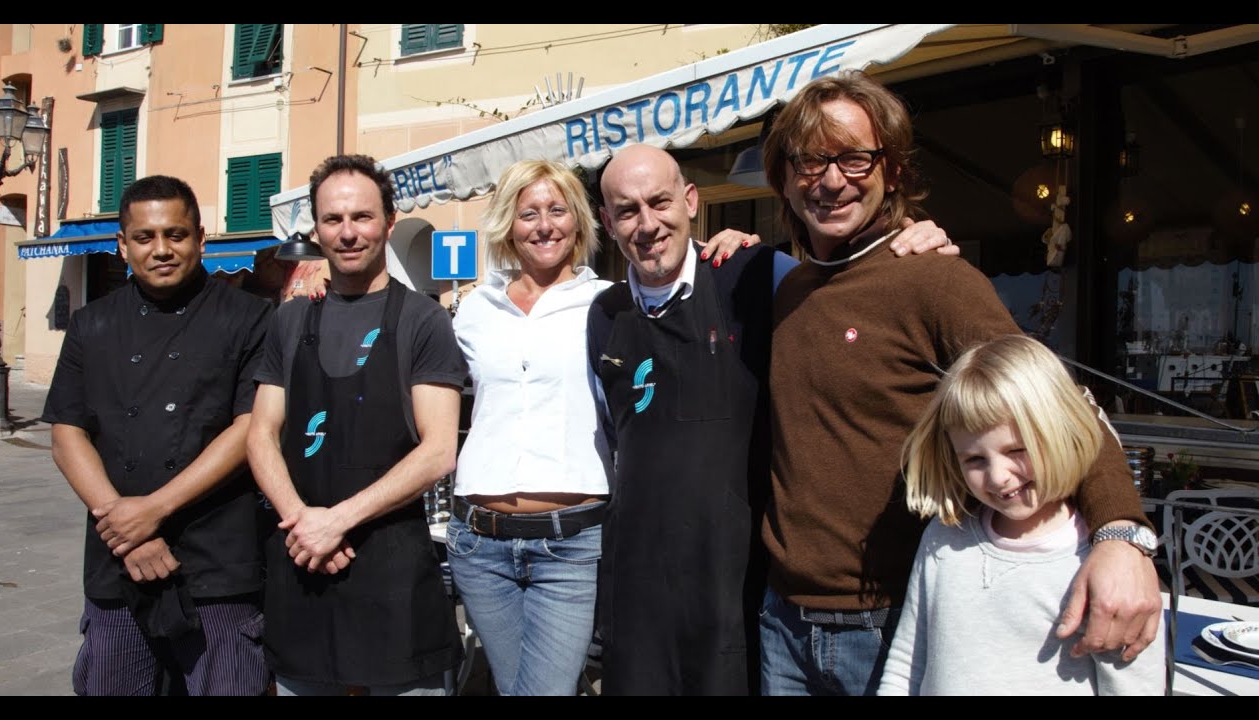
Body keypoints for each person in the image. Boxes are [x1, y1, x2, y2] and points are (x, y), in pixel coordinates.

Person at [759, 71, 1161, 696]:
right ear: (783, 176)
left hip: (893, 621)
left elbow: (1058, 409)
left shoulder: (934, 279)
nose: (831, 180)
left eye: (854, 158)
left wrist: (1121, 536)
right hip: (780, 620)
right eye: (809, 161)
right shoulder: (788, 291)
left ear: (891, 171)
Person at [586, 143, 953, 695]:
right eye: (627, 210)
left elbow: (847, 288)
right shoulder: (604, 315)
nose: (647, 224)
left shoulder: (755, 274)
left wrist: (913, 241)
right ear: (607, 222)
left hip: (737, 590)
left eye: (659, 202)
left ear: (690, 201)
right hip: (639, 595)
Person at [448, 159, 751, 696]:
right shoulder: (473, 310)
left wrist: (728, 251)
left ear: (585, 222)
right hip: (479, 543)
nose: (545, 225)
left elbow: (684, 283)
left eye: (558, 210)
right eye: (528, 213)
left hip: (571, 542)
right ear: (506, 225)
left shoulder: (610, 303)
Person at [44, 175, 273, 695]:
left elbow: (249, 428)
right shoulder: (91, 323)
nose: (162, 249)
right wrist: (129, 529)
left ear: (201, 238)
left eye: (177, 234)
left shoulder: (252, 317)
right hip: (117, 562)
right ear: (122, 245)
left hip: (219, 564)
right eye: (145, 238)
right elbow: (67, 433)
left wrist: (154, 509)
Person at [246, 154, 465, 695]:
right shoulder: (291, 318)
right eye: (333, 220)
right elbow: (261, 431)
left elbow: (438, 451)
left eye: (362, 218)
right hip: (303, 562)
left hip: (392, 568)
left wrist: (336, 521)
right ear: (316, 228)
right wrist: (303, 522)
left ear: (389, 222)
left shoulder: (424, 320)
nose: (348, 233)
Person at [878, 334, 1164, 695]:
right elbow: (907, 662)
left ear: (1063, 431)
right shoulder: (944, 537)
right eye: (975, 459)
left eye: (1017, 449)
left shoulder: (1103, 570)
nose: (998, 477)